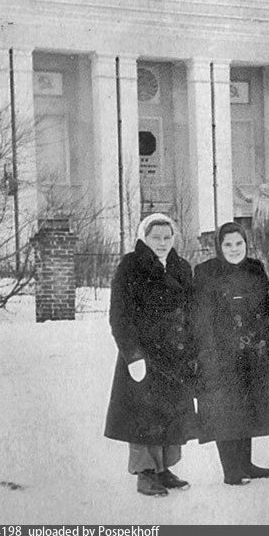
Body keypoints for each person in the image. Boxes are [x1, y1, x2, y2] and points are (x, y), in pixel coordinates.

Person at [104, 213, 199, 497]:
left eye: (167, 237)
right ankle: (145, 472)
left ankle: (163, 469)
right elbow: (119, 315)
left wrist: (192, 349)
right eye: (156, 237)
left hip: (175, 354)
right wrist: (132, 354)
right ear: (144, 237)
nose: (162, 242)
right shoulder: (131, 266)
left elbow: (192, 312)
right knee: (142, 415)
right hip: (144, 355)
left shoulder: (181, 267)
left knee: (169, 413)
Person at [193, 222, 269, 485]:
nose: (234, 249)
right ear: (219, 246)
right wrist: (209, 353)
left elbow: (266, 307)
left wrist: (263, 341)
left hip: (251, 351)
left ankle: (246, 464)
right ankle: (231, 470)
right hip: (220, 353)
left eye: (239, 243)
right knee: (225, 410)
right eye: (228, 244)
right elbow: (201, 317)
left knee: (249, 406)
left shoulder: (255, 268)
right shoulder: (206, 271)